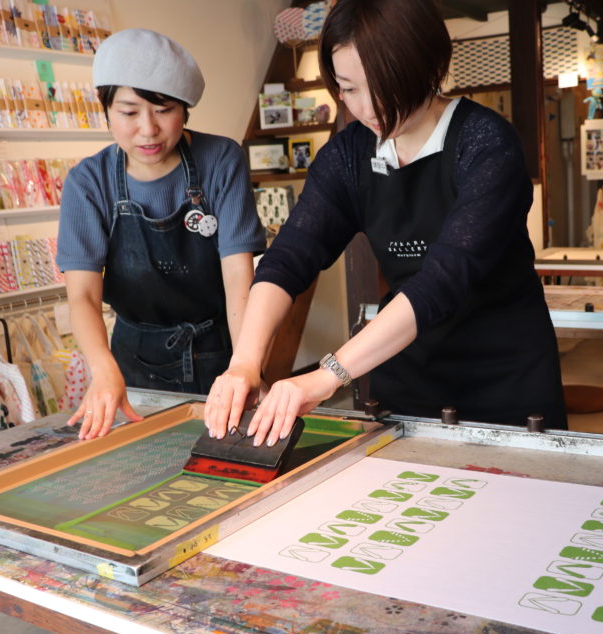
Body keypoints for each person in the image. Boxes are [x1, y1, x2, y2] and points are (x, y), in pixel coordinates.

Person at [204, 0, 566, 445]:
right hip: (407, 374)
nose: (368, 107)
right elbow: (289, 258)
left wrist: (326, 375)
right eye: (349, 89)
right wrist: (244, 362)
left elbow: (442, 281)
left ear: (429, 65)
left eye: (384, 85)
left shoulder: (486, 144)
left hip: (506, 377)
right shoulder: (349, 155)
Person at [57, 29, 266, 440]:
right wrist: (103, 371)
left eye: (163, 109)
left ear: (184, 110)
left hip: (219, 349)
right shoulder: (87, 182)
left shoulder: (221, 160)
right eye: (129, 113)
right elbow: (82, 294)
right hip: (132, 360)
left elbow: (239, 278)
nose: (148, 130)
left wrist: (247, 366)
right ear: (107, 112)